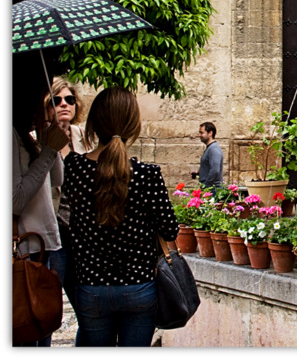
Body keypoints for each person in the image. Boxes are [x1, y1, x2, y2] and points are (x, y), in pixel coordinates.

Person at [63, 87, 178, 347]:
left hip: (91, 285)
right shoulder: (148, 175)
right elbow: (170, 229)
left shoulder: (75, 169)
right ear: (133, 125)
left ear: (94, 123)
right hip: (138, 285)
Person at [12, 55, 70, 347]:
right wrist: (48, 151)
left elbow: (56, 179)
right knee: (26, 329)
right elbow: (15, 200)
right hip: (23, 248)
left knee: (42, 325)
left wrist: (52, 142)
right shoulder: (10, 135)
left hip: (42, 244)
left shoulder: (27, 134)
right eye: (46, 98)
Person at [42, 77, 92, 304]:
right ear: (47, 106)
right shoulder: (39, 138)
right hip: (55, 229)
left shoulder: (82, 135)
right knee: (51, 295)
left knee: (83, 296)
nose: (64, 104)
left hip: (82, 230)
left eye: (69, 100)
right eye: (57, 100)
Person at [195, 121, 223, 190]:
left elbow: (215, 170)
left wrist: (206, 185)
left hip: (212, 190)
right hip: (209, 189)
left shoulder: (214, 148)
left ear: (210, 133)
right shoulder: (210, 148)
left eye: (202, 133)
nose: (199, 135)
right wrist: (199, 173)